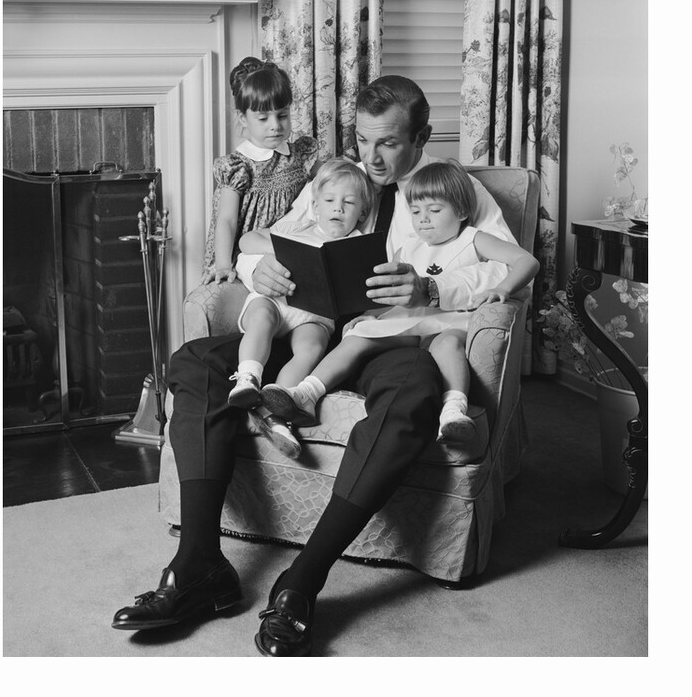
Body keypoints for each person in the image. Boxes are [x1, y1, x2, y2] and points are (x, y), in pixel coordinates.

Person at [112, 75, 515, 657]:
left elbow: (507, 273)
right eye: (363, 139)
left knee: (412, 400)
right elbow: (268, 241)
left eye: (390, 144)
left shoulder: (452, 190)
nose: (372, 158)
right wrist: (260, 272)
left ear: (422, 137)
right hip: (308, 327)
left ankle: (302, 581)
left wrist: (432, 289)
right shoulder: (335, 179)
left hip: (390, 341)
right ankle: (199, 564)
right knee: (197, 360)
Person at [259, 160, 540, 443]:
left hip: (450, 321)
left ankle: (453, 411)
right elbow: (387, 292)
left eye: (435, 210)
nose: (423, 219)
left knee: (448, 344)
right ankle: (307, 393)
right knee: (358, 336)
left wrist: (503, 288)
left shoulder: (474, 239)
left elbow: (526, 260)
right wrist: (371, 315)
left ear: (462, 211)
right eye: (416, 211)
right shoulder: (409, 247)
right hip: (411, 323)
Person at [227, 158, 375, 417]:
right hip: (275, 302)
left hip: (314, 316)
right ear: (316, 206)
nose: (338, 209)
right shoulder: (295, 228)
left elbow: (367, 291)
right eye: (329, 201)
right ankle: (248, 379)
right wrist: (279, 249)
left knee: (312, 348)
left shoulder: (359, 247)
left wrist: (366, 314)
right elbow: (246, 240)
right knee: (261, 316)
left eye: (349, 203)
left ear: (362, 212)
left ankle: (279, 404)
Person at [201, 56, 319, 284]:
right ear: (242, 118)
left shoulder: (300, 155)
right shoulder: (239, 167)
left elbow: (328, 178)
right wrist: (224, 264)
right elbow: (226, 219)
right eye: (263, 118)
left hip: (287, 250)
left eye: (282, 115)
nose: (275, 125)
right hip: (247, 254)